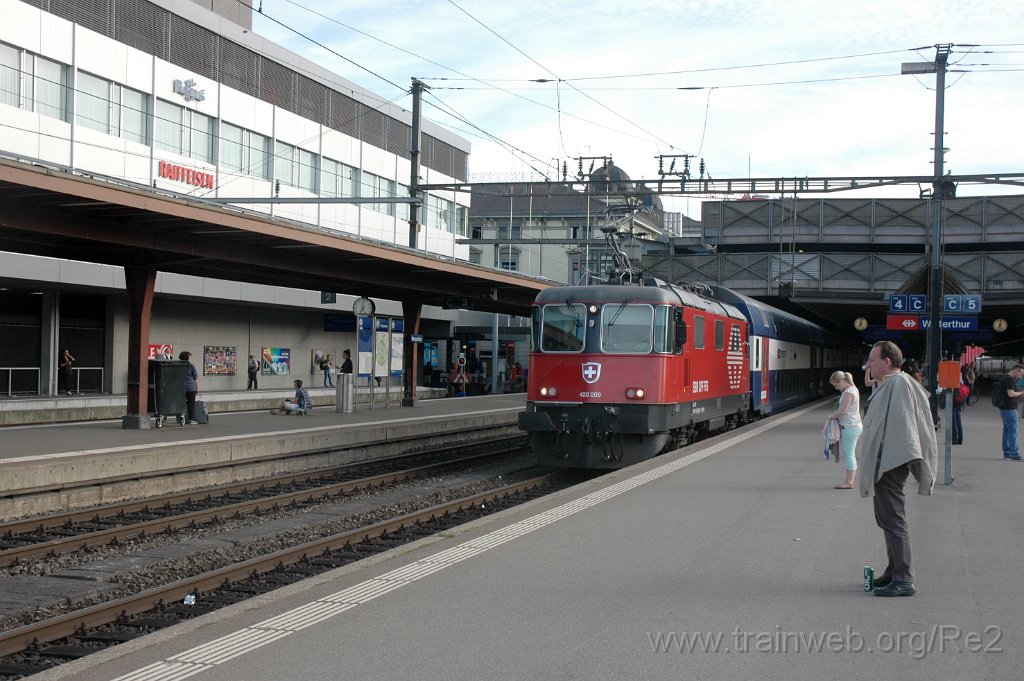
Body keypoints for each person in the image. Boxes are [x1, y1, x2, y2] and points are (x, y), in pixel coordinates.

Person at [858, 340, 937, 597]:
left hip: (891, 462)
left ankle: (903, 578)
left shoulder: (899, 384)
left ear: (887, 362)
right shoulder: (892, 383)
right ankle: (894, 570)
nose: (868, 364)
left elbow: (902, 428)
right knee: (887, 518)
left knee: (894, 519)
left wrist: (886, 461)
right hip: (887, 461)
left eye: (872, 359)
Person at [828, 371, 862, 489]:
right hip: (852, 426)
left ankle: (849, 482)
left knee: (849, 454)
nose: (836, 388)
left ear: (841, 381)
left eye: (836, 385)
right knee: (849, 453)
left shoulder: (849, 393)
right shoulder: (853, 389)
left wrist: (831, 417)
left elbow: (843, 410)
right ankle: (849, 481)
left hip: (850, 427)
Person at [996, 364, 1024, 461]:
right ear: (1016, 370)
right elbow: (1010, 394)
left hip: (1005, 408)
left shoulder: (1004, 378)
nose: (1020, 376)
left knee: (1007, 430)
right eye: (1020, 374)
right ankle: (1014, 453)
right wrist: (1021, 393)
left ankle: (1007, 453)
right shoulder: (1009, 380)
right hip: (1010, 409)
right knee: (1012, 431)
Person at [179, 350, 199, 425]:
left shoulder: (178, 366)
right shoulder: (191, 366)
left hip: (181, 387)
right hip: (191, 387)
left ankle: (181, 416)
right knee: (191, 404)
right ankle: (192, 419)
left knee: (181, 403)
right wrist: (197, 388)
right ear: (187, 357)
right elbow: (195, 378)